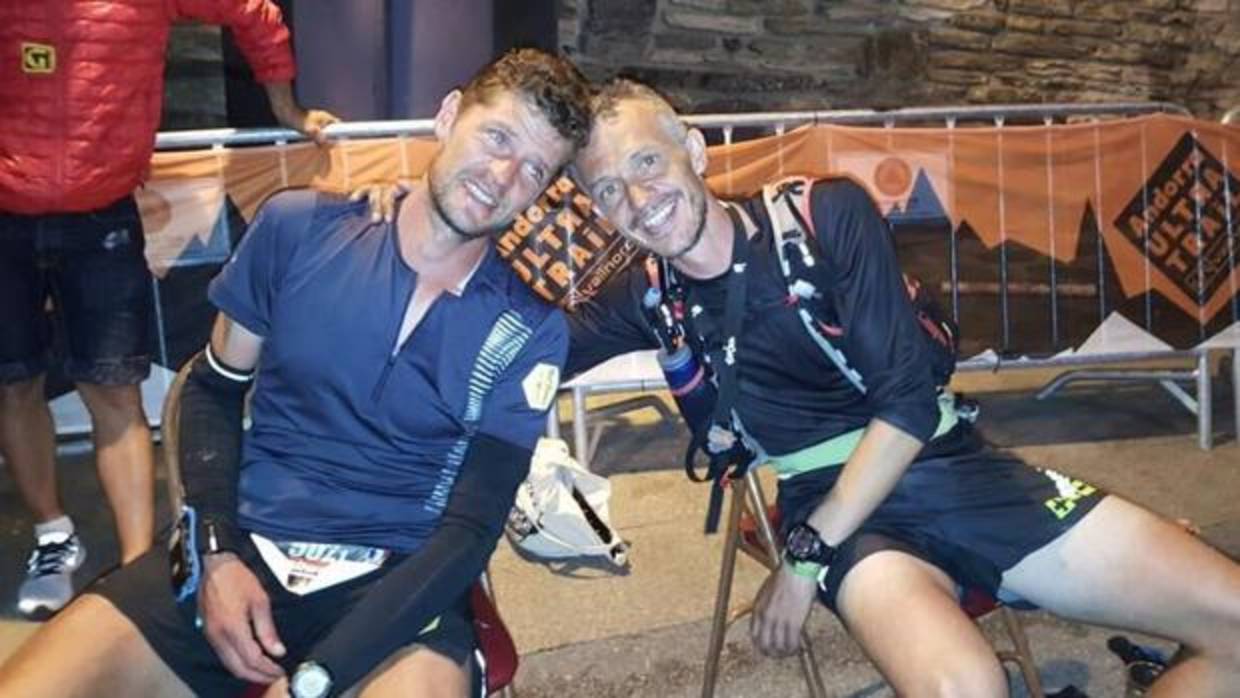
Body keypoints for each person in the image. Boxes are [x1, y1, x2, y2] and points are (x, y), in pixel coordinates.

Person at [566, 79, 1240, 696]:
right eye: (608, 191)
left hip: (949, 466)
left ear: (694, 150)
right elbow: (527, 351)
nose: (639, 201)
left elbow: (909, 402)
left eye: (646, 163)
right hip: (837, 507)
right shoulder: (646, 297)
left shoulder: (821, 216)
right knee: (965, 689)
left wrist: (801, 562)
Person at [0, 47, 589, 698]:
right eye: (497, 137)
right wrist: (216, 552)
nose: (502, 177)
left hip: (398, 589)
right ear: (449, 115)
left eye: (534, 169)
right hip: (247, 542)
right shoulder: (298, 227)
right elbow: (212, 390)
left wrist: (317, 679)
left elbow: (471, 530)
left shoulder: (530, 329)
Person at [0, 0, 338, 617]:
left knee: (114, 391)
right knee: (14, 383)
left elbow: (255, 13)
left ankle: (137, 576)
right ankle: (53, 536)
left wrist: (286, 109)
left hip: (101, 215)